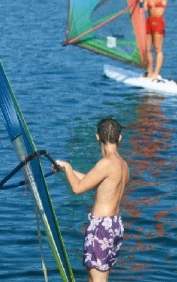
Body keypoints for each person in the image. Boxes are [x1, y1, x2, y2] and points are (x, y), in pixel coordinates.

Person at [55, 118, 130, 282]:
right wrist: (67, 171)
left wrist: (67, 166)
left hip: (101, 228)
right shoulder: (123, 165)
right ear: (119, 138)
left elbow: (77, 188)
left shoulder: (106, 163)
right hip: (115, 225)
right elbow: (97, 185)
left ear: (97, 137)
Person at [142, 0, 169, 80]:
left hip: (158, 23)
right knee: (147, 48)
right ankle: (149, 71)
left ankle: (156, 73)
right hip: (148, 22)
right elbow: (144, 9)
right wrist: (141, 1)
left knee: (157, 48)